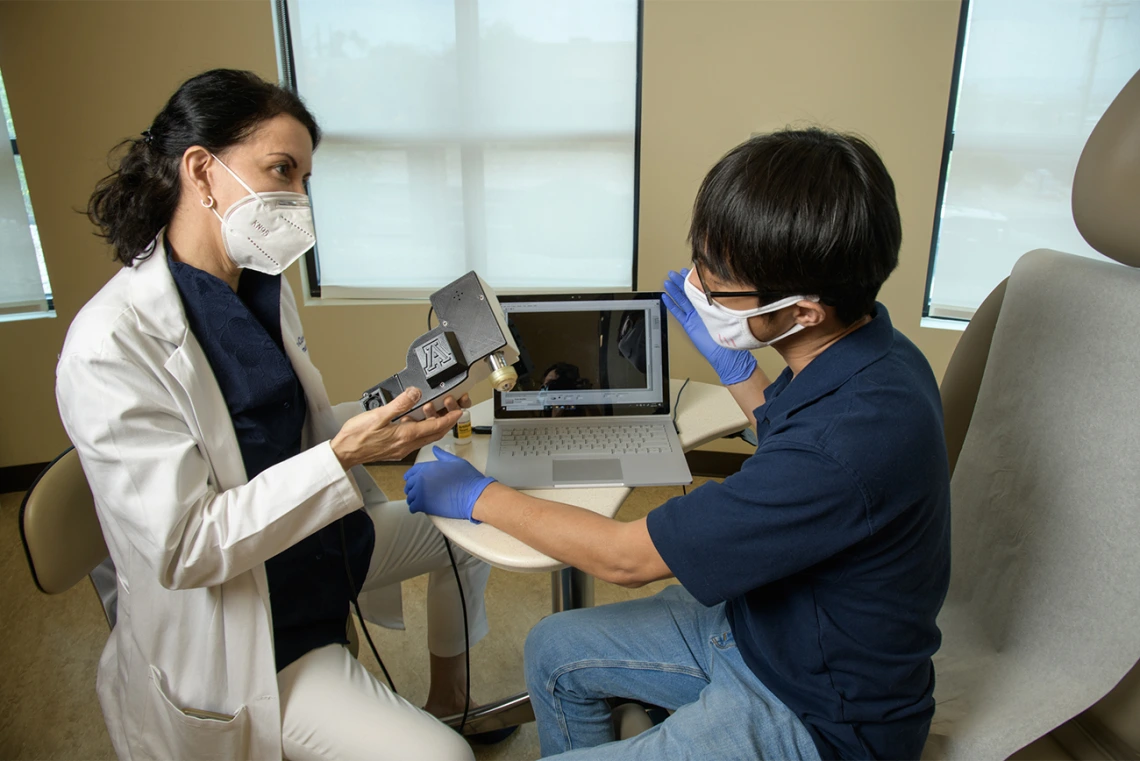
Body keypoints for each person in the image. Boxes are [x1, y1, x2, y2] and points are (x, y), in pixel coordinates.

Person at [403, 128, 952, 760]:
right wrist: (740, 371)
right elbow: (790, 438)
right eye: (702, 259)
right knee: (552, 648)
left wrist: (478, 495)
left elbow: (625, 560)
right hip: (764, 626)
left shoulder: (848, 442)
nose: (696, 285)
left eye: (718, 286)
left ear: (803, 311)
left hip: (818, 711)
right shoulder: (877, 348)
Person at [58, 69, 492, 761]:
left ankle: (450, 699)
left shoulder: (263, 286)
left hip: (321, 547)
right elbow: (186, 547)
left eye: (304, 179)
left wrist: (390, 423)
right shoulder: (110, 345)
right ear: (202, 171)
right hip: (247, 628)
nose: (296, 198)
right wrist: (345, 455)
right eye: (281, 170)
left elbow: (295, 427)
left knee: (472, 518)